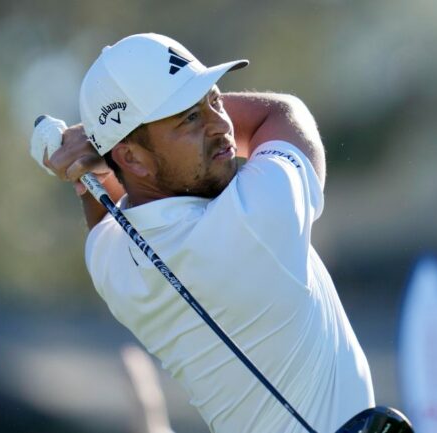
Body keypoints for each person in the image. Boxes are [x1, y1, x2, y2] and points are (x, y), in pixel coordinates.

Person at [36, 33, 374, 433]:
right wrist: (93, 143)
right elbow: (282, 113)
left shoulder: (112, 265)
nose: (222, 125)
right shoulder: (259, 217)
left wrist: (102, 148)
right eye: (190, 118)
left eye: (214, 99)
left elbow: (109, 201)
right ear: (132, 157)